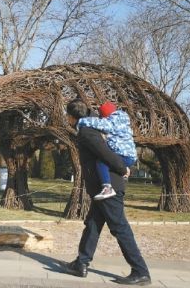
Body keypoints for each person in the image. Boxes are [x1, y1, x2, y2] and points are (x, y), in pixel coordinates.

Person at [63, 99, 151, 286]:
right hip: (101, 188)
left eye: (67, 116)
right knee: (93, 224)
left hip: (109, 187)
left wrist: (122, 169)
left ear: (72, 117)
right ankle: (81, 262)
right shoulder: (91, 127)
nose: (67, 119)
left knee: (119, 227)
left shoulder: (87, 132)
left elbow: (105, 154)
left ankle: (140, 271)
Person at [77, 101, 137, 200]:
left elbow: (98, 123)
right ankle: (123, 174)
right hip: (129, 155)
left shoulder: (111, 121)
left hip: (124, 154)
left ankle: (107, 187)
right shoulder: (122, 120)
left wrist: (81, 121)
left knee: (101, 162)